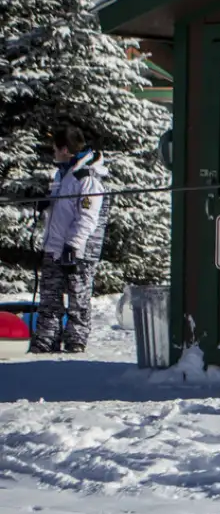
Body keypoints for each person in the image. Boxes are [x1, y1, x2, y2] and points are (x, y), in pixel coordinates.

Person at [31, 125, 110, 354]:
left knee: (78, 296)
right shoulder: (62, 172)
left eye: (55, 148)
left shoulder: (87, 177)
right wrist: (46, 202)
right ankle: (46, 338)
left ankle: (76, 338)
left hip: (78, 249)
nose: (53, 153)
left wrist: (73, 246)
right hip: (55, 245)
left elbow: (87, 216)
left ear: (65, 149)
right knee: (49, 297)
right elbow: (62, 205)